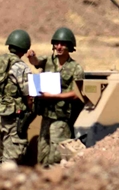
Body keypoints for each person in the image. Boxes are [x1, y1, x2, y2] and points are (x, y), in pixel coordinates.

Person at [28, 27, 86, 167]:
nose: (59, 47)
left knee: (56, 156)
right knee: (42, 153)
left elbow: (77, 94)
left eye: (63, 44)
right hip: (47, 115)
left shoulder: (76, 68)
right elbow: (36, 62)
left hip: (61, 118)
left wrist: (55, 96)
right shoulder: (48, 61)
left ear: (70, 46)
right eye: (56, 43)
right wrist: (31, 57)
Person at [0, 29, 34, 166]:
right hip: (14, 119)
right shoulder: (21, 68)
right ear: (24, 48)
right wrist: (32, 110)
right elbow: (29, 95)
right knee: (12, 157)